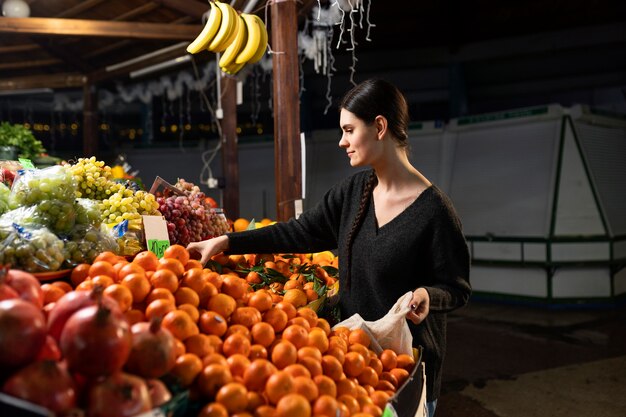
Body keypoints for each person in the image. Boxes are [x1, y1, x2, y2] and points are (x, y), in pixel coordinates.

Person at [187, 78, 471, 416]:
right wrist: (228, 241)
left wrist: (427, 294)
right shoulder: (353, 193)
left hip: (405, 374)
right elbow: (299, 232)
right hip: (352, 363)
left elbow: (456, 287)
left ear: (379, 127)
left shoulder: (434, 211)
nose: (342, 141)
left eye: (349, 130)